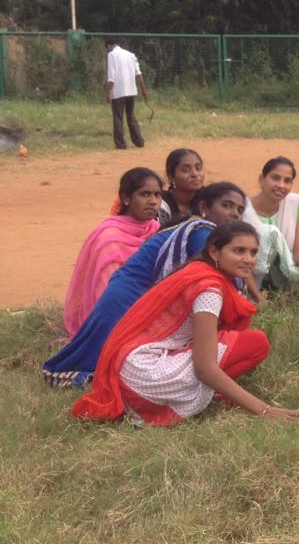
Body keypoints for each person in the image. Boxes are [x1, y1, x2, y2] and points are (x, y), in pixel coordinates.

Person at [72, 220, 299, 426]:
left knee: (234, 342)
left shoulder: (198, 270)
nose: (248, 259)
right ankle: (183, 403)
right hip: (145, 377)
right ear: (214, 251)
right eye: (238, 251)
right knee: (256, 343)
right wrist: (264, 410)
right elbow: (204, 368)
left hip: (129, 371)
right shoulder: (210, 290)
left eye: (253, 252)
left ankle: (208, 394)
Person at [44, 183, 250, 387]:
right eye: (227, 205)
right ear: (204, 207)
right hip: (129, 295)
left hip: (137, 292)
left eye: (240, 210)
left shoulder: (207, 234)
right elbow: (215, 276)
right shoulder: (202, 230)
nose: (234, 214)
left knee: (121, 355)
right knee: (100, 356)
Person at [62, 167, 163, 336]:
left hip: (152, 308)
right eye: (145, 194)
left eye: (157, 195)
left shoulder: (158, 230)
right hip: (116, 313)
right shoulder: (110, 237)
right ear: (126, 198)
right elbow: (109, 292)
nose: (153, 201)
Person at [243, 156, 299, 292]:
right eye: (275, 178)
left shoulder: (292, 204)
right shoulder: (243, 209)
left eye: (287, 181)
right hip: (250, 273)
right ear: (261, 179)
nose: (281, 185)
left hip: (284, 273)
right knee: (268, 233)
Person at [104, 38, 146, 150]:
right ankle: (139, 142)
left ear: (109, 46)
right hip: (131, 91)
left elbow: (111, 76)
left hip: (118, 91)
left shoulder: (112, 55)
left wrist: (108, 93)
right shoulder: (131, 55)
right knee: (131, 116)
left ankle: (121, 144)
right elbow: (139, 74)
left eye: (108, 48)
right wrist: (143, 90)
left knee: (118, 117)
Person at [156, 148, 204, 227]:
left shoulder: (209, 199)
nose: (195, 174)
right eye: (186, 170)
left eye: (198, 168)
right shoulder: (160, 204)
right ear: (171, 177)